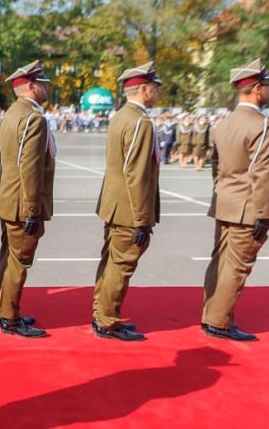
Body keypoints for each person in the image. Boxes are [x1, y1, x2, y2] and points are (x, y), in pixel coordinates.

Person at [202, 59, 269, 341]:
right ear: (257, 88)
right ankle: (220, 322)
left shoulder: (225, 123)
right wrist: (263, 213)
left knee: (220, 262)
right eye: (267, 86)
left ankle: (210, 315)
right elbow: (263, 172)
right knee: (237, 266)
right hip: (249, 205)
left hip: (225, 201)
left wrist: (222, 193)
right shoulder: (264, 125)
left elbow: (216, 165)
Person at [93, 61, 162, 342]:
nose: (157, 91)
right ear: (144, 89)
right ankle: (107, 321)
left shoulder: (121, 115)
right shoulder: (140, 121)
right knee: (121, 266)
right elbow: (136, 173)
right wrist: (142, 219)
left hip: (115, 204)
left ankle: (101, 313)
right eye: (155, 87)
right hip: (129, 208)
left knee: (110, 262)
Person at [0, 60, 53, 338]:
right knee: (19, 261)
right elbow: (30, 167)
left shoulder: (13, 113)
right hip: (22, 201)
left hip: (7, 197)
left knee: (8, 257)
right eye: (43, 83)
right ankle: (9, 317)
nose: (46, 88)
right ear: (31, 86)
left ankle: (6, 310)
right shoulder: (34, 118)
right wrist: (32, 209)